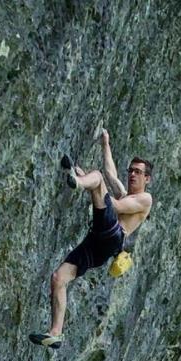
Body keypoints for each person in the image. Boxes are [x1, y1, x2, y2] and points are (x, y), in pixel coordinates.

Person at [29, 129, 153, 349]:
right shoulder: (127, 193)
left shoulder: (145, 199)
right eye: (131, 170)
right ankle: (55, 333)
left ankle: (78, 181)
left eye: (138, 172)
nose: (132, 175)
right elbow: (111, 173)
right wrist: (106, 143)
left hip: (113, 235)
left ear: (147, 178)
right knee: (59, 278)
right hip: (98, 244)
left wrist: (85, 181)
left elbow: (116, 205)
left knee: (96, 178)